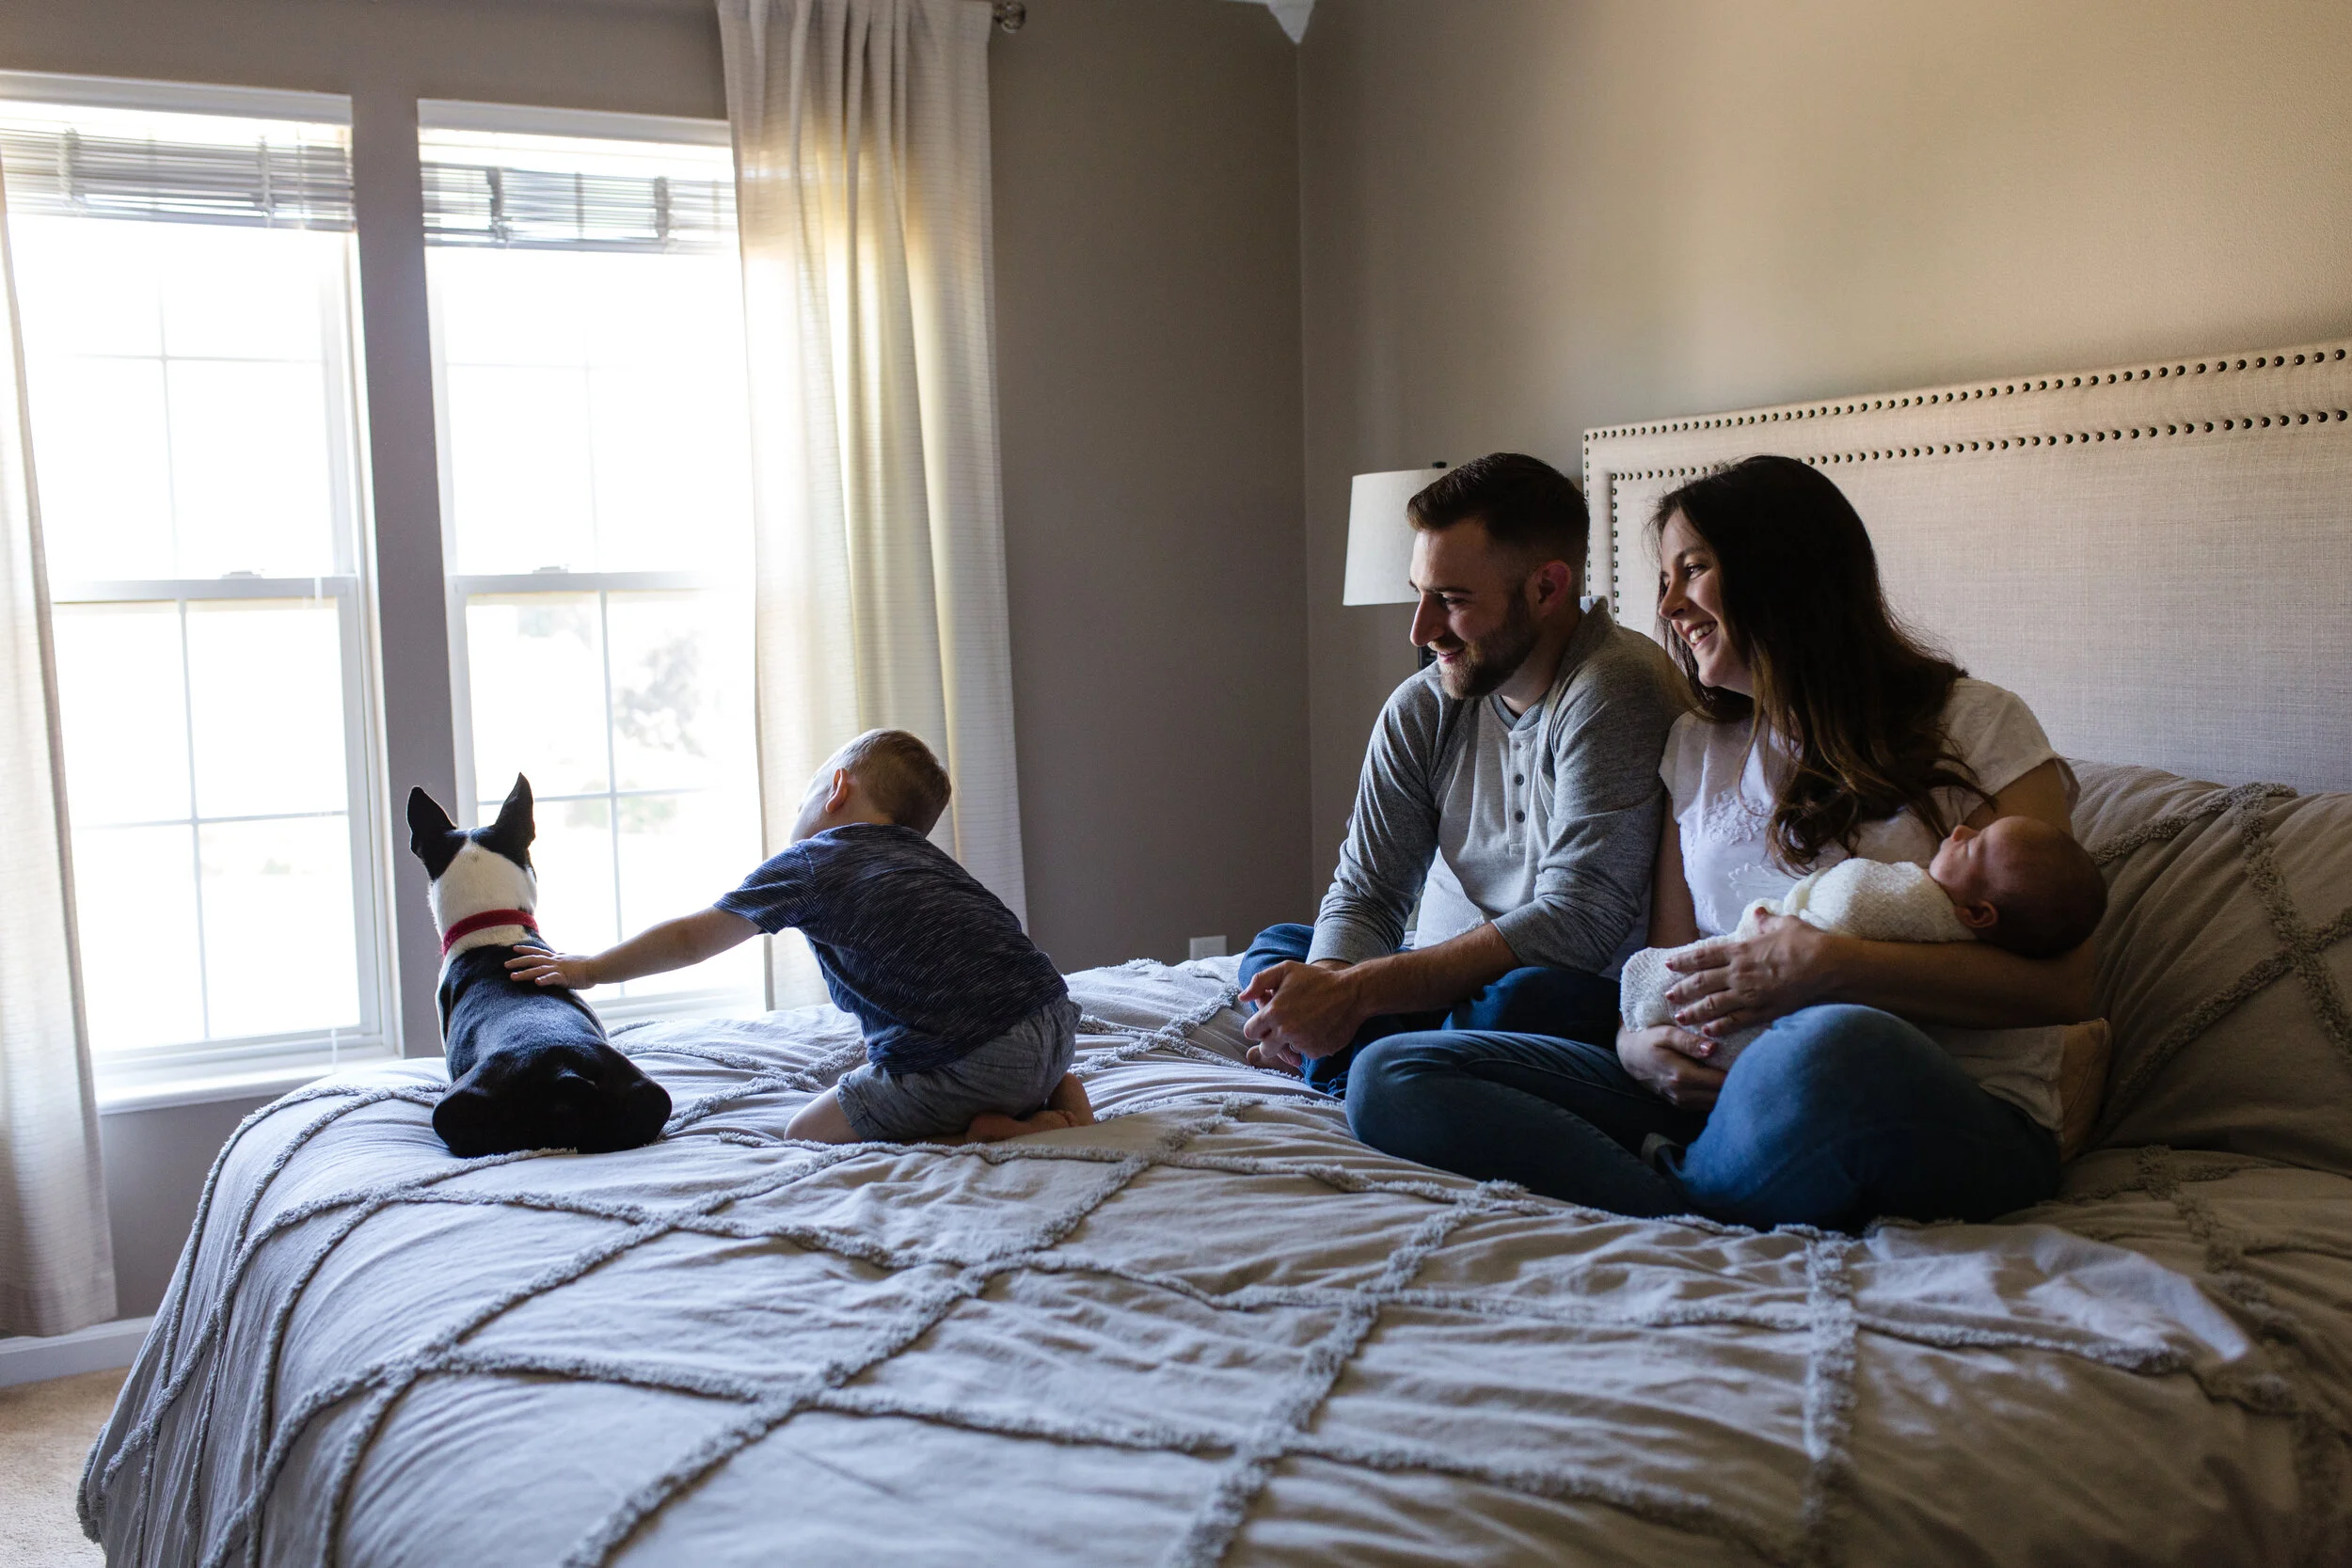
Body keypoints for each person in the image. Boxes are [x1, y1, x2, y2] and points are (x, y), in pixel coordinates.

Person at [1344, 455, 2099, 1230]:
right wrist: (1642, 1048)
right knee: (1389, 1075)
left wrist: (1834, 968)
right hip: (1717, 1095)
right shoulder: (1696, 747)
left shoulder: (1980, 723)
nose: (1667, 603)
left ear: (1783, 571)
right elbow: (1659, 971)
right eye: (1664, 578)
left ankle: (1683, 1195)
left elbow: (2068, 986)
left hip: (1933, 1096)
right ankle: (1680, 1199)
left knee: (1834, 1042)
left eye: (1692, 570)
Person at [1237, 452, 1687, 1095]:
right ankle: (1370, 1061)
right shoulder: (1423, 707)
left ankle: (1371, 1066)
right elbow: (1368, 891)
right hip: (1440, 982)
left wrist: (1353, 992)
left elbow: (1576, 925)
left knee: (1522, 1000)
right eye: (1421, 593)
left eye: (1450, 601)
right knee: (1281, 949)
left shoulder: (1615, 690)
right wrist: (1329, 984)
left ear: (1547, 588)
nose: (1421, 630)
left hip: (1568, 986)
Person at [506, 729, 1092, 1145]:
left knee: (806, 1130)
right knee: (993, 1038)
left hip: (981, 1058)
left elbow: (692, 938)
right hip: (1054, 1023)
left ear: (836, 789)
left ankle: (993, 1131)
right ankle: (1055, 1101)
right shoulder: (928, 860)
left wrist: (587, 970)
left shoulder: (814, 862)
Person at [1618, 814, 2106, 1063]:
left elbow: (1847, 901)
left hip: (1805, 1055)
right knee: (1544, 994)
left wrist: (1822, 958)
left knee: (1838, 1044)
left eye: (1973, 843)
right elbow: (1670, 948)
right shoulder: (1692, 738)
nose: (1958, 830)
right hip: (1685, 1033)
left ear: (1978, 914)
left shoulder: (1925, 906)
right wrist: (1633, 1049)